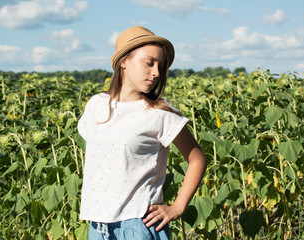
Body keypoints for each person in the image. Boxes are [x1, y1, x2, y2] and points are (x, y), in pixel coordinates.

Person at [77, 26, 207, 240]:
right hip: (97, 227)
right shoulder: (95, 105)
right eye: (149, 63)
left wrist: (177, 207)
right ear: (124, 61)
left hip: (139, 226)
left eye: (160, 66)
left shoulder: (160, 113)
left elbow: (197, 159)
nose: (156, 72)